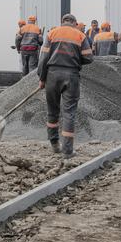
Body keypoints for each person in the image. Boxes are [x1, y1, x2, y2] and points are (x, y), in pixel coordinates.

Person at [37, 14, 93, 158]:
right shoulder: (80, 35)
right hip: (71, 75)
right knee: (69, 113)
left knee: (52, 111)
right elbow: (88, 57)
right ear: (74, 23)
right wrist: (75, 58)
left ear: (62, 22)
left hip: (52, 75)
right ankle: (67, 151)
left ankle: (55, 144)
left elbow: (43, 58)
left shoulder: (52, 33)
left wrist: (42, 78)